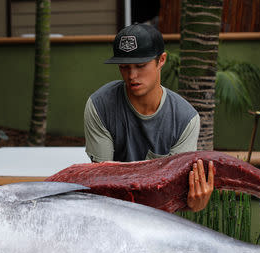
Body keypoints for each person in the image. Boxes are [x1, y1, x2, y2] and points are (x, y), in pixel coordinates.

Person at [83, 23, 214, 212]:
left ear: (161, 60)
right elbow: (103, 184)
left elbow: (173, 192)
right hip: (112, 214)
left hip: (161, 220)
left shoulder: (185, 119)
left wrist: (193, 203)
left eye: (141, 65)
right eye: (124, 67)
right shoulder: (100, 106)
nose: (132, 75)